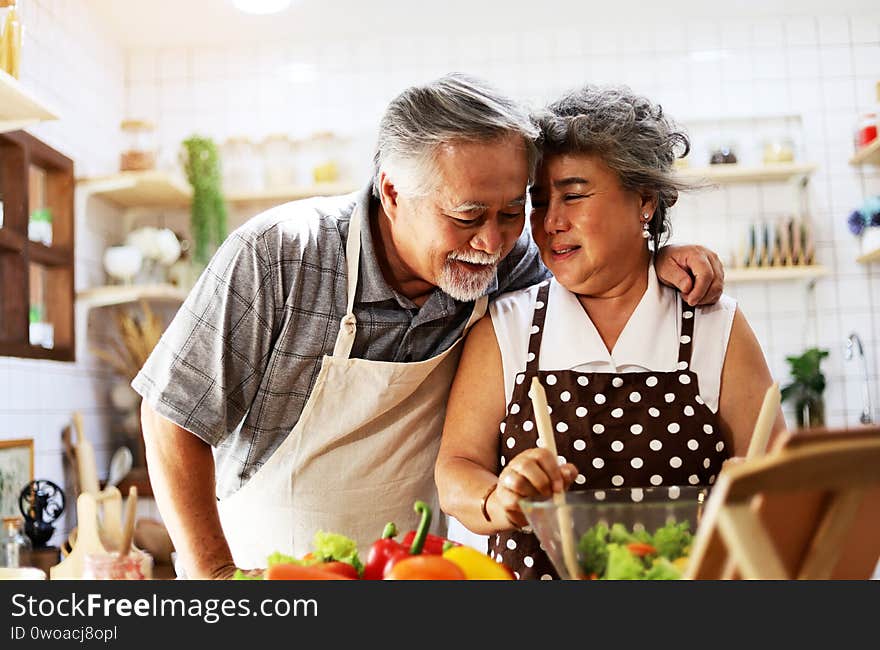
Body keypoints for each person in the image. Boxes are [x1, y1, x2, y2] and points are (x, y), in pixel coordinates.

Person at [133, 74, 725, 580]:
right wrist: (215, 576)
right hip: (270, 575)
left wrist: (655, 258)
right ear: (392, 192)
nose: (493, 241)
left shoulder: (507, 263)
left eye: (512, 211)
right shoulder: (280, 257)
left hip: (410, 570)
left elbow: (591, 263)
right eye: (468, 215)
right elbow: (171, 414)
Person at [435, 84, 787, 580]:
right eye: (539, 201)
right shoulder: (506, 325)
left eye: (574, 195)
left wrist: (757, 488)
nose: (550, 221)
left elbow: (783, 482)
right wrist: (497, 497)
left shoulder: (713, 323)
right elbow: (455, 468)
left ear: (644, 199)